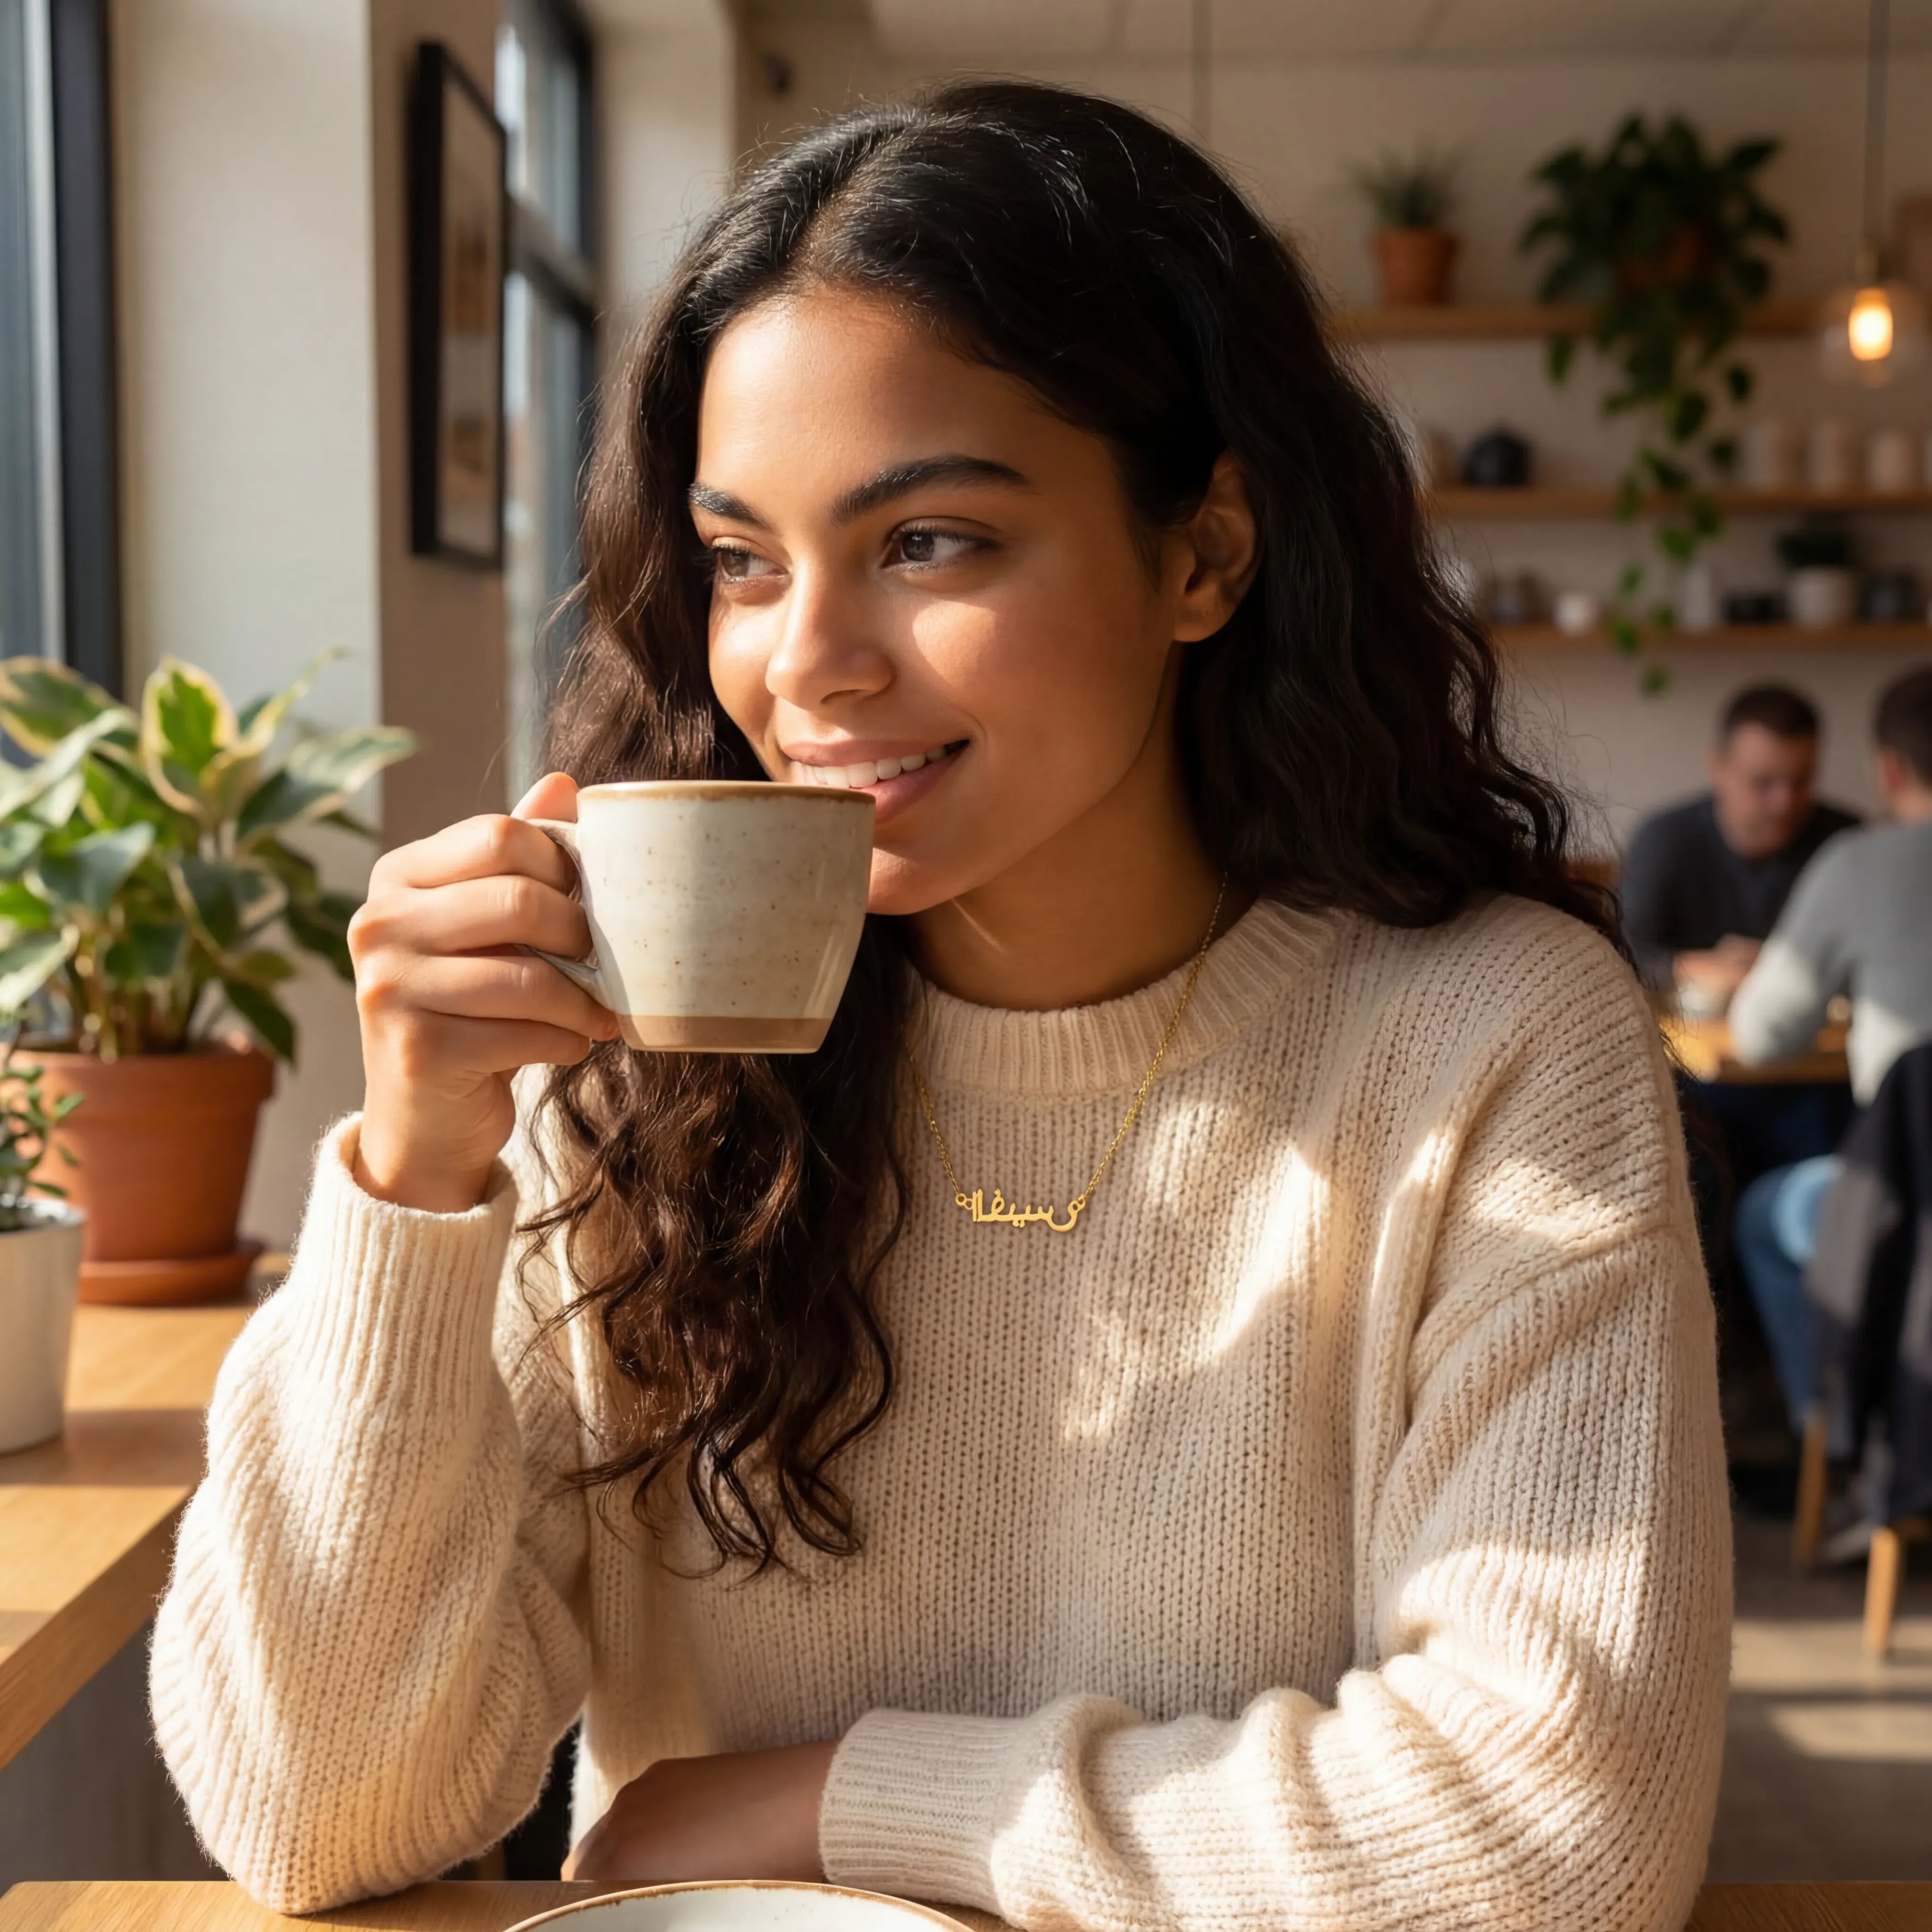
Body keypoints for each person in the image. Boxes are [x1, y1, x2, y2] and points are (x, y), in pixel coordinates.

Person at [150, 83, 1729, 1932]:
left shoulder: (1492, 1044)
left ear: (1205, 553)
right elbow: (319, 1813)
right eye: (743, 560)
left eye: (928, 544)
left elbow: (1553, 1833)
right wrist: (414, 1176)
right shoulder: (628, 1068)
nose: (805, 660)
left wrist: (836, 1799)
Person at [1730, 665, 1932, 1428]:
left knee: (1761, 1213)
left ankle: (1845, 1441)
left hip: (1910, 1213)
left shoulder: (1856, 864)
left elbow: (1759, 1034)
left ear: (1887, 767)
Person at [1620, 683, 1859, 1002]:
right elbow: (1623, 954)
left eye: (1802, 781)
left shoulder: (1846, 844)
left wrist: (1776, 966)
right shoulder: (1664, 841)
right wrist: (1689, 966)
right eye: (1763, 782)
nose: (1784, 804)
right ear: (1719, 767)